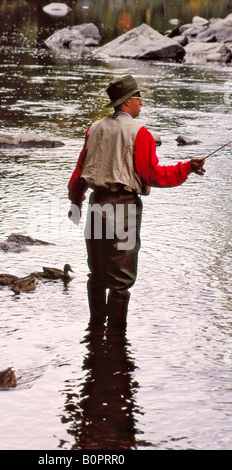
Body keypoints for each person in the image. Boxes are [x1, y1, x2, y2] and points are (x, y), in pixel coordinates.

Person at [68, 75, 205, 332]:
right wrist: (186, 167)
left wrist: (76, 203)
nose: (142, 104)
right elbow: (152, 175)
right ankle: (117, 338)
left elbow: (78, 173)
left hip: (97, 207)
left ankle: (95, 331)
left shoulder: (94, 128)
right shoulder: (139, 133)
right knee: (121, 279)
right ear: (129, 102)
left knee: (97, 275)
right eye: (139, 99)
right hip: (123, 211)